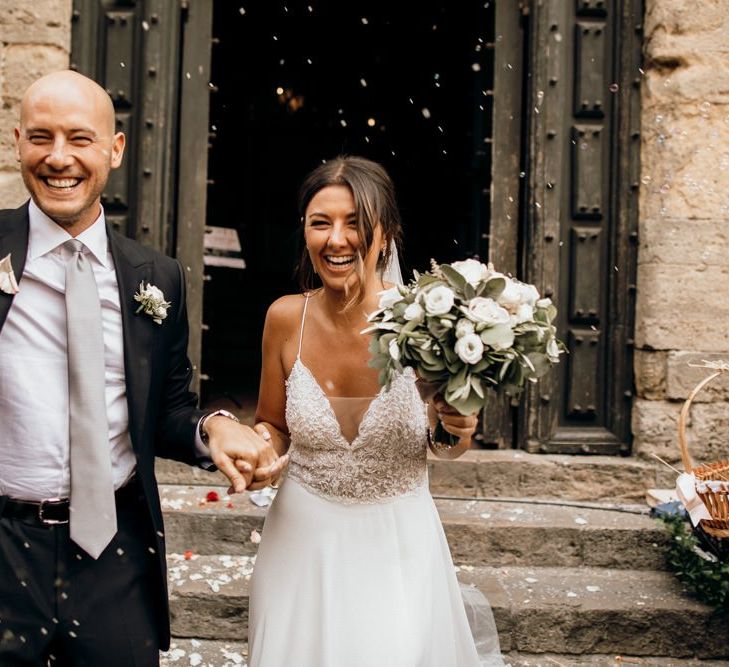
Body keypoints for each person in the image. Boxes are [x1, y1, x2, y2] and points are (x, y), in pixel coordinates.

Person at [0, 70, 284, 666]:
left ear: (116, 148)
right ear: (18, 139)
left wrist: (215, 427)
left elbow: (169, 409)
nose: (58, 158)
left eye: (79, 138)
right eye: (41, 137)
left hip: (113, 549)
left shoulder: (158, 277)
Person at [248, 156, 503, 666]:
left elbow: (445, 442)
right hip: (301, 545)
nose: (336, 239)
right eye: (321, 223)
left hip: (397, 546)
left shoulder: (428, 321)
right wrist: (257, 453)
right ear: (305, 232)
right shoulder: (284, 319)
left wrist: (457, 427)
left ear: (386, 234)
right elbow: (273, 425)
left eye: (356, 224)